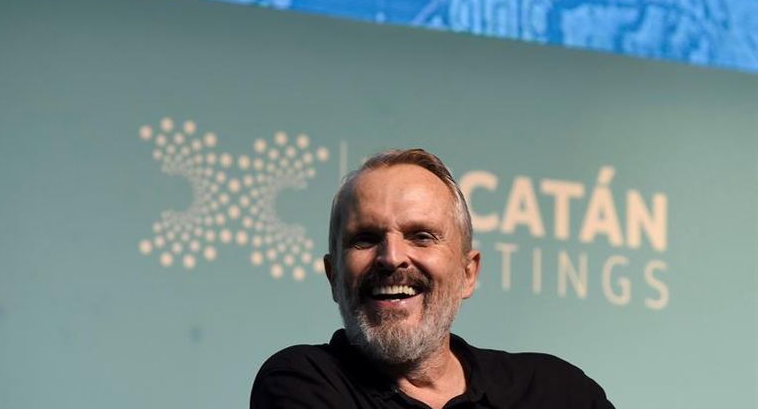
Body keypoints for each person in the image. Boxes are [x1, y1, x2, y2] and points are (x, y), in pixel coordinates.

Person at [251, 148, 615, 409]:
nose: (391, 257)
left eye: (421, 236)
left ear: (468, 273)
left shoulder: (557, 391)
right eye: (366, 239)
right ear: (333, 276)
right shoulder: (300, 382)